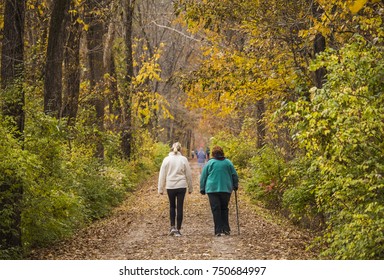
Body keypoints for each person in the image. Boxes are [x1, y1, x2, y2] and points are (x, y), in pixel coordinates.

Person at [200, 146, 238, 236]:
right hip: (226, 189)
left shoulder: (210, 163)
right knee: (224, 208)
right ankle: (226, 229)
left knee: (216, 209)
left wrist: (202, 188)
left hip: (212, 190)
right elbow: (234, 175)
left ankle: (218, 230)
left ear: (213, 154)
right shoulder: (228, 163)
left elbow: (203, 176)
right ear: (222, 153)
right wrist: (235, 185)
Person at [158, 142, 193, 236]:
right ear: (180, 149)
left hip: (170, 186)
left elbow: (162, 175)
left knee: (172, 206)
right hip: (181, 186)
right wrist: (190, 187)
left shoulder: (166, 159)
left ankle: (172, 227)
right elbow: (188, 174)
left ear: (171, 149)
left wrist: (160, 189)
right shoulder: (183, 159)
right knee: (180, 207)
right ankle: (178, 229)